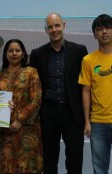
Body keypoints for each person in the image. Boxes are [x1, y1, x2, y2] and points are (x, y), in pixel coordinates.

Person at [29, 13, 88, 174]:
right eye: (50, 27)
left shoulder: (79, 51)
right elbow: (33, 86)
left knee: (75, 158)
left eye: (57, 25)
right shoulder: (37, 54)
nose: (54, 30)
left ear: (64, 25)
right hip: (48, 113)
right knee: (49, 158)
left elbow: (86, 85)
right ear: (45, 30)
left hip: (73, 112)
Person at [78, 14, 112, 174]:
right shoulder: (88, 60)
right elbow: (86, 91)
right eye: (99, 29)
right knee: (99, 169)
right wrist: (87, 122)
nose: (104, 32)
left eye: (108, 28)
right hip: (98, 124)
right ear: (94, 33)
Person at [0, 39, 43, 174]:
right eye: (10, 50)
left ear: (23, 54)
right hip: (5, 131)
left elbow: (36, 99)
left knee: (26, 166)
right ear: (5, 54)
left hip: (27, 130)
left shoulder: (31, 72)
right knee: (5, 166)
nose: (14, 53)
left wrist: (19, 120)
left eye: (17, 50)